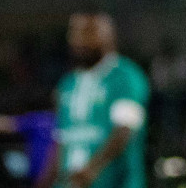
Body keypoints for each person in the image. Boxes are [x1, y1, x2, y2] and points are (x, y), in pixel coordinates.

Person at [39, 13, 148, 188]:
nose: (80, 40)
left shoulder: (125, 76)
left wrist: (91, 170)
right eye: (75, 33)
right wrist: (45, 182)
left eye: (89, 33)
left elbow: (125, 129)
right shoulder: (67, 84)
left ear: (108, 35)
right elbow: (61, 138)